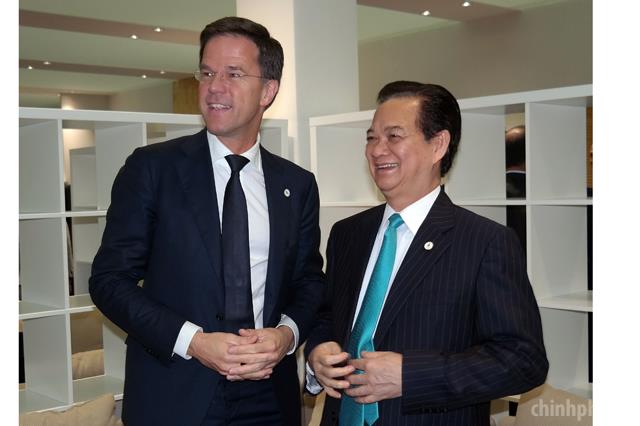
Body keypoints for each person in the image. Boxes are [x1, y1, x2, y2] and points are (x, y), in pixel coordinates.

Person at [89, 17, 325, 426]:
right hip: (175, 390)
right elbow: (109, 281)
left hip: (268, 394)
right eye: (207, 73)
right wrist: (194, 342)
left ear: (268, 91)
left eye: (233, 74)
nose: (215, 87)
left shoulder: (296, 184)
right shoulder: (152, 169)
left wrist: (285, 336)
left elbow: (309, 282)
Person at [305, 81, 548, 425]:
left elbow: (524, 360)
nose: (377, 150)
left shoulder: (485, 242)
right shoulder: (348, 234)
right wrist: (318, 352)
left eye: (394, 136)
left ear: (438, 145)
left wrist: (410, 376)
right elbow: (329, 316)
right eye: (371, 138)